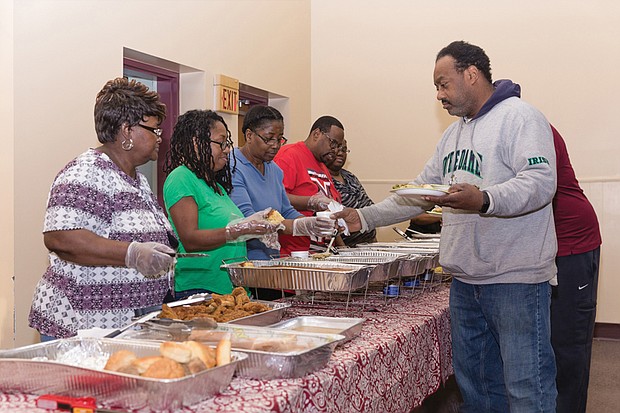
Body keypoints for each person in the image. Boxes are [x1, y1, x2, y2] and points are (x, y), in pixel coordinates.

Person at [334, 41, 558, 412]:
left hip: (515, 281)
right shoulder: (451, 136)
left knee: (527, 388)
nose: (439, 95)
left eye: (443, 84)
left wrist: (483, 199)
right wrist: (363, 217)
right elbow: (418, 193)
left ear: (472, 74)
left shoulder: (521, 117)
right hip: (465, 283)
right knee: (479, 389)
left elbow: (539, 182)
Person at [28, 77, 177, 340]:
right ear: (127, 130)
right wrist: (132, 253)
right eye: (154, 129)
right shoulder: (86, 172)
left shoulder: (137, 179)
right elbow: (61, 237)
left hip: (125, 323)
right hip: (82, 325)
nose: (159, 138)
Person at [163, 109, 279, 299]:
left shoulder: (216, 186)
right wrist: (240, 229)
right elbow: (190, 239)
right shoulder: (181, 177)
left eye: (228, 144)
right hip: (200, 290)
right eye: (221, 143)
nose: (227, 149)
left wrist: (255, 228)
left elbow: (227, 231)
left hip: (232, 288)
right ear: (196, 142)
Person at [230, 104, 337, 261]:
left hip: (270, 259)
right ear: (249, 135)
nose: (275, 145)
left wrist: (313, 223)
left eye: (279, 139)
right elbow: (249, 219)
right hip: (243, 261)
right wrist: (297, 226)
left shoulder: (274, 169)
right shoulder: (233, 166)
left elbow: (286, 211)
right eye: (269, 139)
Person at [549, 124, 602, 413]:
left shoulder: (530, 127)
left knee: (567, 346)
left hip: (573, 245)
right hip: (545, 250)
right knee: (548, 347)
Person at [274, 116, 344, 256]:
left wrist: (342, 247)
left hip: (322, 253)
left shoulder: (322, 166)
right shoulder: (289, 156)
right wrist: (311, 202)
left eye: (338, 146)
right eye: (333, 143)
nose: (335, 150)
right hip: (293, 254)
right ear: (316, 134)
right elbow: (277, 199)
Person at [324, 139, 376, 246]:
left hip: (367, 245)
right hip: (346, 248)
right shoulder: (323, 179)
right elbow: (331, 219)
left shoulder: (350, 176)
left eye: (344, 150)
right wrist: (343, 249)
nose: (340, 153)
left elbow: (368, 205)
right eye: (336, 149)